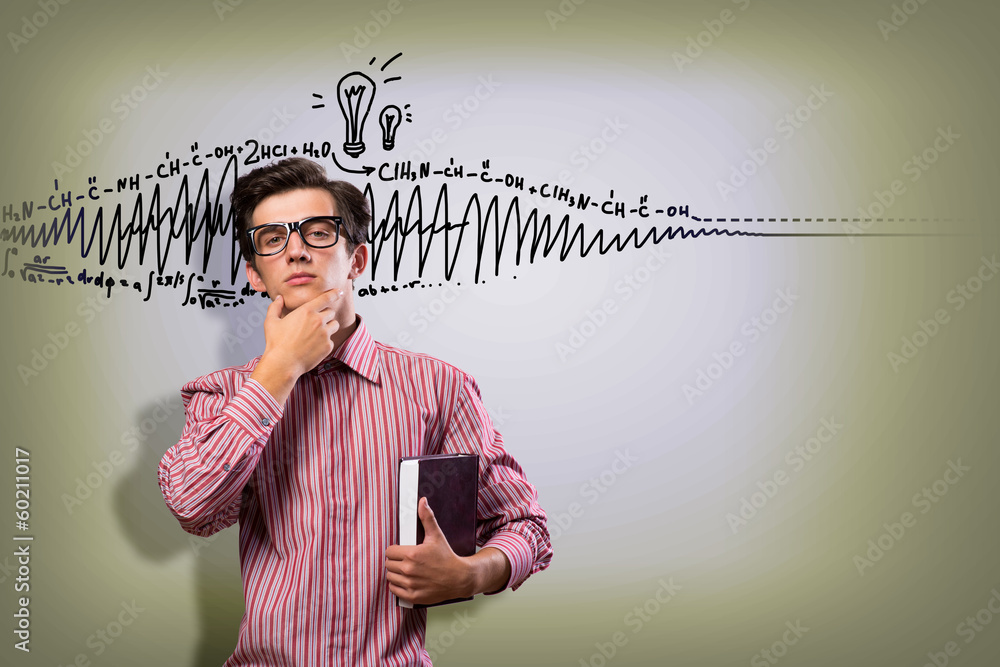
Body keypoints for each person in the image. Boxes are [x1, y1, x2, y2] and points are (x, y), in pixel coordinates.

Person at [157, 157, 552, 666]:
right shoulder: (223, 393)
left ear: (357, 259)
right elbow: (194, 507)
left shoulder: (438, 387)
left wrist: (473, 573)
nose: (296, 249)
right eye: (273, 239)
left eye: (317, 232)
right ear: (255, 275)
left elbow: (525, 523)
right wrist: (279, 371)